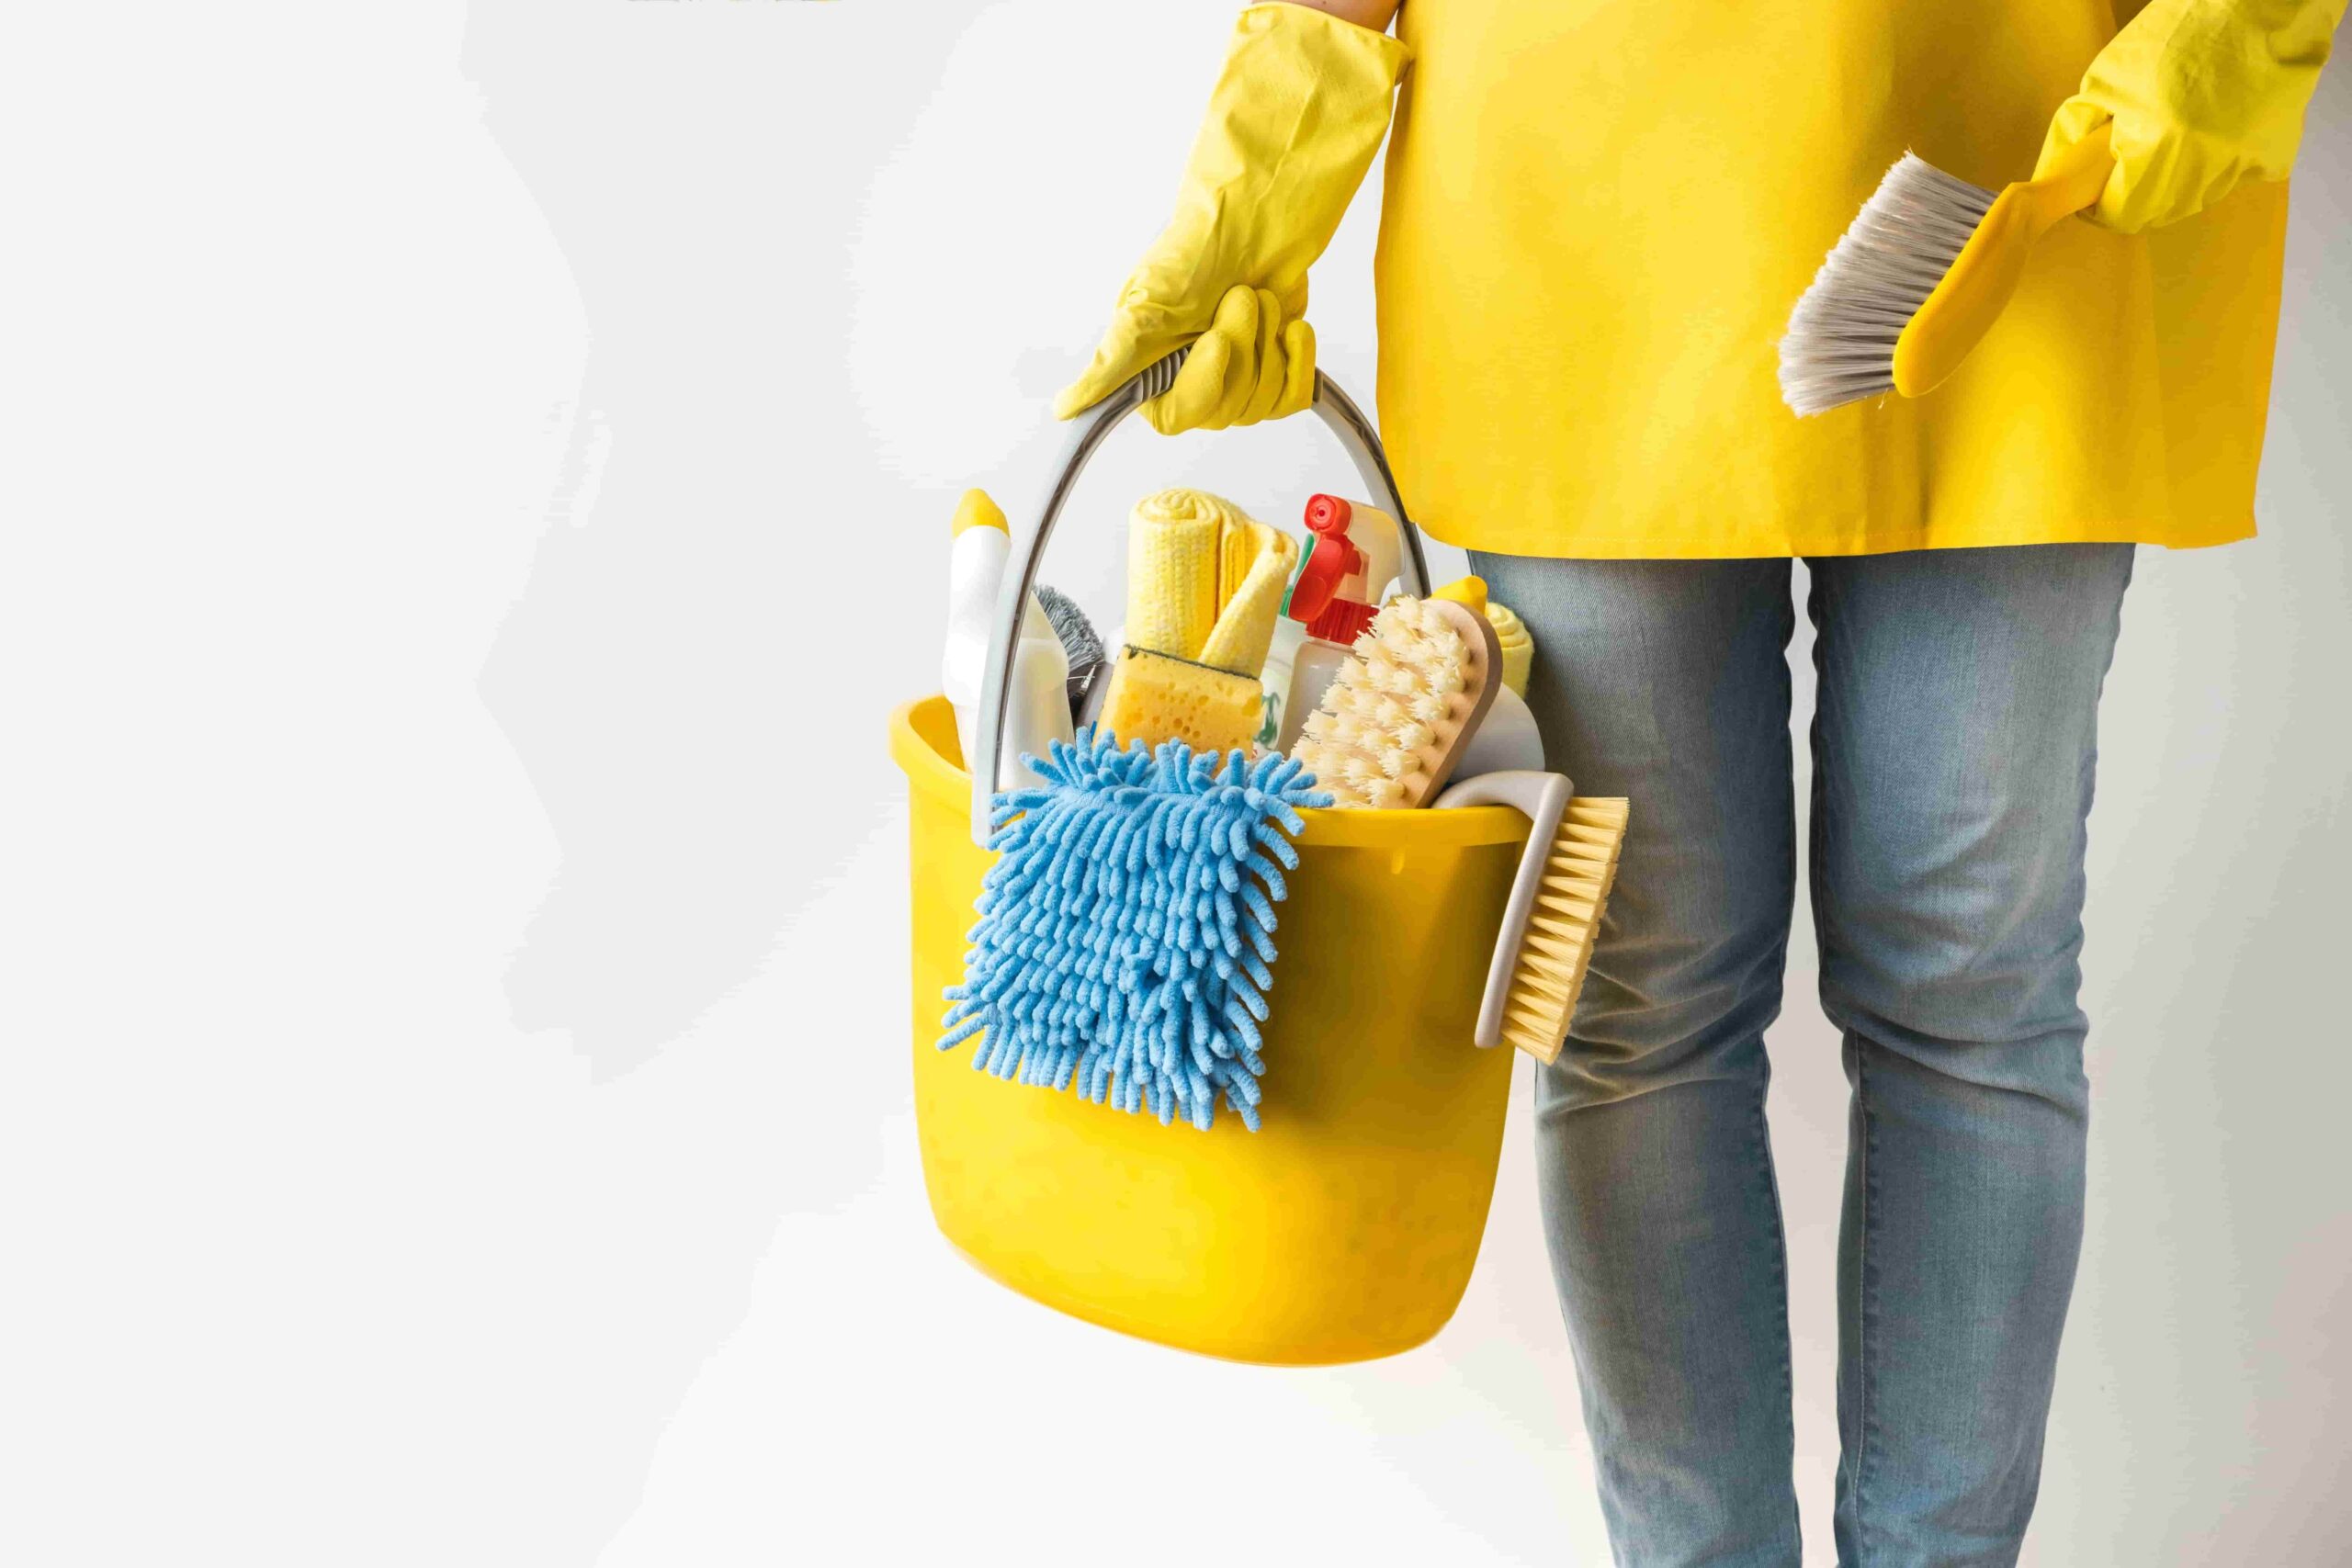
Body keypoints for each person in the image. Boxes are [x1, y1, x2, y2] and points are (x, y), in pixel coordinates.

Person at [1056, 2, 2344, 1563]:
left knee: (1970, 992)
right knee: (1643, 1003)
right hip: (1576, 214)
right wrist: (1253, 191)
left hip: (2032, 157)